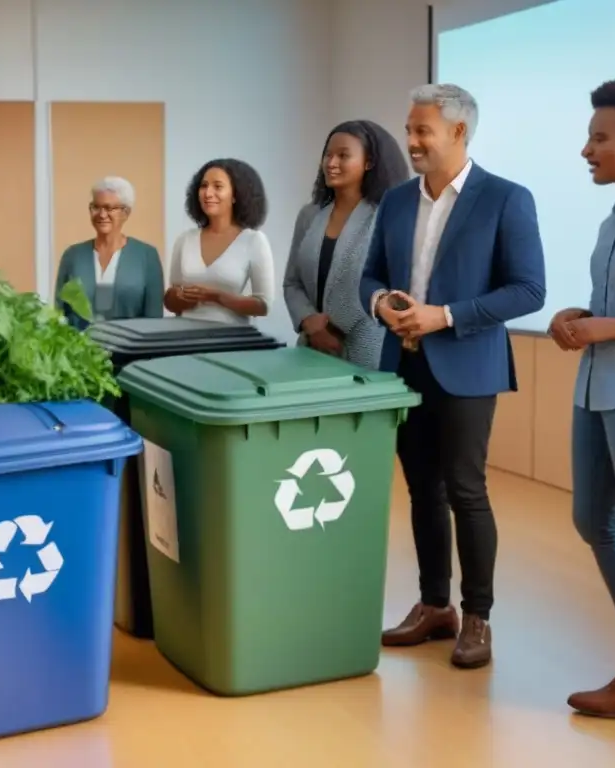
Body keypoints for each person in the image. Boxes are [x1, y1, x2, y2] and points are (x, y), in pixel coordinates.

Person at [359, 84, 546, 669]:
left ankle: (478, 617)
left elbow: (528, 290)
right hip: (404, 364)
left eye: (422, 131)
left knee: (466, 490)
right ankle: (434, 605)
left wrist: (444, 316)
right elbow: (370, 277)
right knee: (422, 490)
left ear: (458, 132)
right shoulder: (393, 202)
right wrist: (381, 306)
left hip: (468, 365)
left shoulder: (506, 199)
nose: (410, 141)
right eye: (410, 129)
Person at [549, 77, 615, 717]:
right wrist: (580, 313)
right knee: (592, 522)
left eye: (599, 138)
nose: (586, 150)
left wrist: (614, 326)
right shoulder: (614, 216)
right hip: (595, 389)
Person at [284, 120, 410, 367]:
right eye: (328, 155)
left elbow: (393, 287)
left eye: (343, 156)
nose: (331, 164)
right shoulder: (309, 215)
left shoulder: (388, 216)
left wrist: (332, 328)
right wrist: (309, 321)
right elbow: (292, 282)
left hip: (369, 352)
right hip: (311, 350)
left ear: (369, 162)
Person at [164, 158, 275, 325]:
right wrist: (179, 297)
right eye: (203, 186)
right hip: (184, 338)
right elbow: (171, 301)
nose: (208, 193)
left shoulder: (254, 241)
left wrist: (215, 297)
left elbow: (263, 306)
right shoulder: (185, 239)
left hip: (230, 341)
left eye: (218, 186)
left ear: (235, 195)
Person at [55, 176, 164, 328]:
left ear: (125, 213)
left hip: (130, 348)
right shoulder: (73, 256)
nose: (101, 214)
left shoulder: (147, 256)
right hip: (80, 348)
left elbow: (154, 319)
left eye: (109, 208)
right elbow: (59, 313)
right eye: (96, 207)